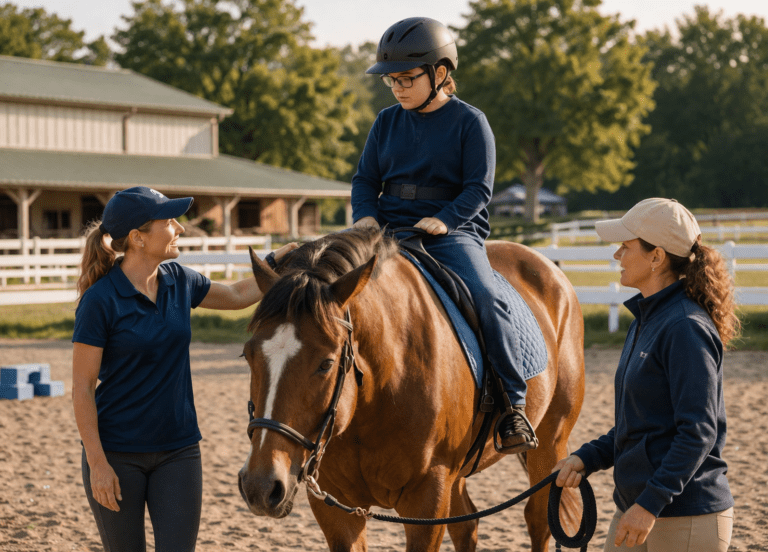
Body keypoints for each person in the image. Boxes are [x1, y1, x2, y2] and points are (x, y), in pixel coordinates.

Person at [71, 186, 294, 552]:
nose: (181, 228)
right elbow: (82, 387)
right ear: (139, 239)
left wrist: (278, 261)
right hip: (116, 454)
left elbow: (238, 295)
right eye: (170, 222)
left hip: (179, 451)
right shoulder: (100, 301)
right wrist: (97, 464)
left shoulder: (179, 280)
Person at [351, 16, 536, 454]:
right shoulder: (386, 122)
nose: (397, 88)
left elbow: (479, 188)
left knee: (486, 298)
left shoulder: (471, 122)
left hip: (451, 232)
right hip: (387, 229)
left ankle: (513, 404)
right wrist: (365, 216)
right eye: (390, 81)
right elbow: (365, 180)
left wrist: (447, 219)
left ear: (439, 73)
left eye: (406, 79)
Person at [553, 198, 738, 551]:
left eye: (625, 246)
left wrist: (649, 506)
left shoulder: (685, 327)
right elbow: (642, 422)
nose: (616, 256)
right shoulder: (648, 319)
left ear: (657, 257)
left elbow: (697, 432)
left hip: (681, 515)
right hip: (638, 506)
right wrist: (587, 458)